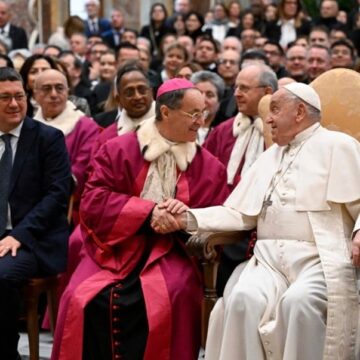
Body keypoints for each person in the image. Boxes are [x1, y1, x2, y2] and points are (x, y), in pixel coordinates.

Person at [176, 82, 360, 360]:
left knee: (300, 303)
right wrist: (187, 217)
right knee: (242, 300)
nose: (268, 118)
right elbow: (239, 213)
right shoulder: (268, 156)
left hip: (319, 257)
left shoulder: (341, 146)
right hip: (267, 261)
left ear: (299, 112)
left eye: (275, 109)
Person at [51, 78, 229, 360]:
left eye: (203, 114)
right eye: (193, 114)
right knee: (78, 297)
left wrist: (184, 218)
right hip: (115, 247)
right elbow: (94, 200)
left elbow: (219, 215)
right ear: (166, 112)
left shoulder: (210, 167)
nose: (201, 121)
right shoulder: (117, 149)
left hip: (173, 251)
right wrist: (148, 212)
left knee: (175, 294)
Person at [0, 67, 71, 359]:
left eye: (19, 96)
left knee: (0, 277)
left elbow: (56, 196)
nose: (14, 104)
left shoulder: (48, 139)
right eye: (5, 98)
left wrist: (19, 235)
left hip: (33, 239)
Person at [33, 69, 99, 225]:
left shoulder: (86, 127)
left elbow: (82, 172)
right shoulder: (28, 127)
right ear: (35, 95)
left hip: (69, 209)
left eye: (59, 88)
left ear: (68, 91)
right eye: (47, 88)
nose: (54, 94)